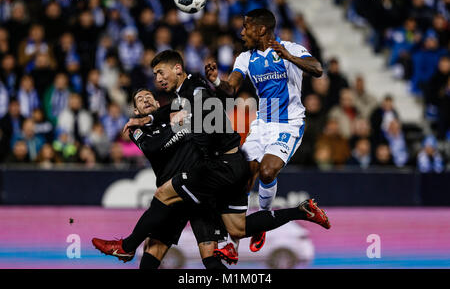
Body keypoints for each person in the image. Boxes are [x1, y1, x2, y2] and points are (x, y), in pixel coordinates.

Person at [92, 50, 330, 265]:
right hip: (233, 164)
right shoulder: (183, 94)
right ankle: (302, 212)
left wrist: (187, 118)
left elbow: (204, 106)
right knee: (238, 228)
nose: (158, 79)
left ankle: (126, 246)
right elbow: (182, 110)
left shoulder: (194, 90)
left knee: (163, 194)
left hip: (218, 166)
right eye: (154, 76)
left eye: (160, 72)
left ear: (177, 69)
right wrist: (154, 119)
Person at [205, 8, 324, 253]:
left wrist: (289, 57)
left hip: (289, 124)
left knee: (267, 172)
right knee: (241, 178)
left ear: (261, 29)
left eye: (246, 27)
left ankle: (262, 219)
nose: (241, 32)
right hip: (262, 124)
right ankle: (231, 245)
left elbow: (317, 68)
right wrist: (217, 81)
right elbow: (231, 90)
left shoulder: (290, 47)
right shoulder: (245, 58)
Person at [94, 88, 228, 269]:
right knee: (151, 255)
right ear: (135, 111)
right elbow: (153, 147)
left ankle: (127, 246)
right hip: (173, 197)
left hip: (198, 191)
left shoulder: (176, 113)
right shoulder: (136, 129)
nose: (145, 100)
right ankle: (127, 246)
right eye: (140, 99)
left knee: (210, 258)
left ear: (158, 104)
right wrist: (180, 126)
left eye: (149, 97)